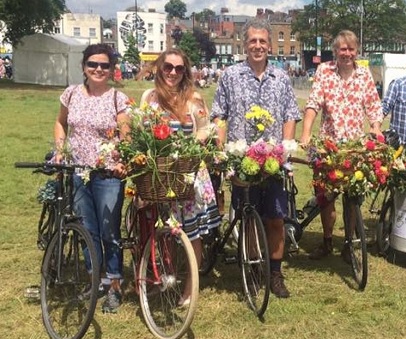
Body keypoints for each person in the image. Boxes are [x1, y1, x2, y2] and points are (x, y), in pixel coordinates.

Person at [211, 18, 301, 298]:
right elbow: (219, 115)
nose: (258, 46)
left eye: (263, 41)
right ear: (244, 44)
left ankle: (275, 272)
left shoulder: (281, 77)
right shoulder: (230, 76)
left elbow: (290, 114)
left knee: (275, 218)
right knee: (247, 217)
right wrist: (221, 149)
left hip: (272, 159)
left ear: (270, 45)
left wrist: (285, 148)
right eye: (253, 41)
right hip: (241, 158)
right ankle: (252, 267)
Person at [140, 49, 221, 306]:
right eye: (168, 67)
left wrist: (187, 148)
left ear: (186, 71)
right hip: (161, 173)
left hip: (189, 174)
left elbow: (206, 128)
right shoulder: (149, 98)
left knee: (192, 235)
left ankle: (189, 289)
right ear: (159, 68)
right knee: (164, 230)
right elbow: (142, 130)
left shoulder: (194, 98)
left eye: (179, 68)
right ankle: (164, 276)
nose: (173, 73)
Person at [53, 43, 130, 313]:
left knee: (109, 231)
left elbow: (126, 136)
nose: (98, 69)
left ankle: (114, 285)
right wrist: (61, 150)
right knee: (87, 230)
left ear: (111, 69)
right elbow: (61, 122)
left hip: (108, 175)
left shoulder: (116, 99)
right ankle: (95, 279)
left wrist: (122, 162)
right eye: (93, 64)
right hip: (78, 173)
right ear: (84, 66)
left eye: (104, 65)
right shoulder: (71, 94)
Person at [299, 30, 383, 261]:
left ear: (356, 51)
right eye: (342, 49)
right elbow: (313, 104)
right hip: (329, 144)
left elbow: (373, 106)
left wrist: (375, 128)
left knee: (353, 196)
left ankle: (348, 243)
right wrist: (306, 134)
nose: (346, 53)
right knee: (326, 197)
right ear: (335, 51)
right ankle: (327, 241)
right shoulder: (324, 71)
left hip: (355, 146)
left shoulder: (364, 74)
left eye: (350, 49)